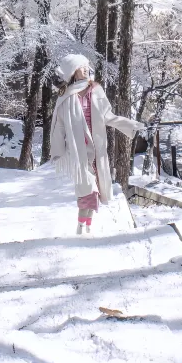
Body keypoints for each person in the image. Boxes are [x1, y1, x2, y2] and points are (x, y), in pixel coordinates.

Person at [50, 53, 144, 235]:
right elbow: (58, 126)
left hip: (97, 148)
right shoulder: (66, 97)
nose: (85, 70)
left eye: (86, 67)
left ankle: (87, 226)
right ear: (72, 72)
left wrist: (130, 125)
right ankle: (80, 226)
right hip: (77, 151)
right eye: (81, 68)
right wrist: (58, 150)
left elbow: (108, 116)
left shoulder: (96, 91)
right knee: (86, 188)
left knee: (95, 190)